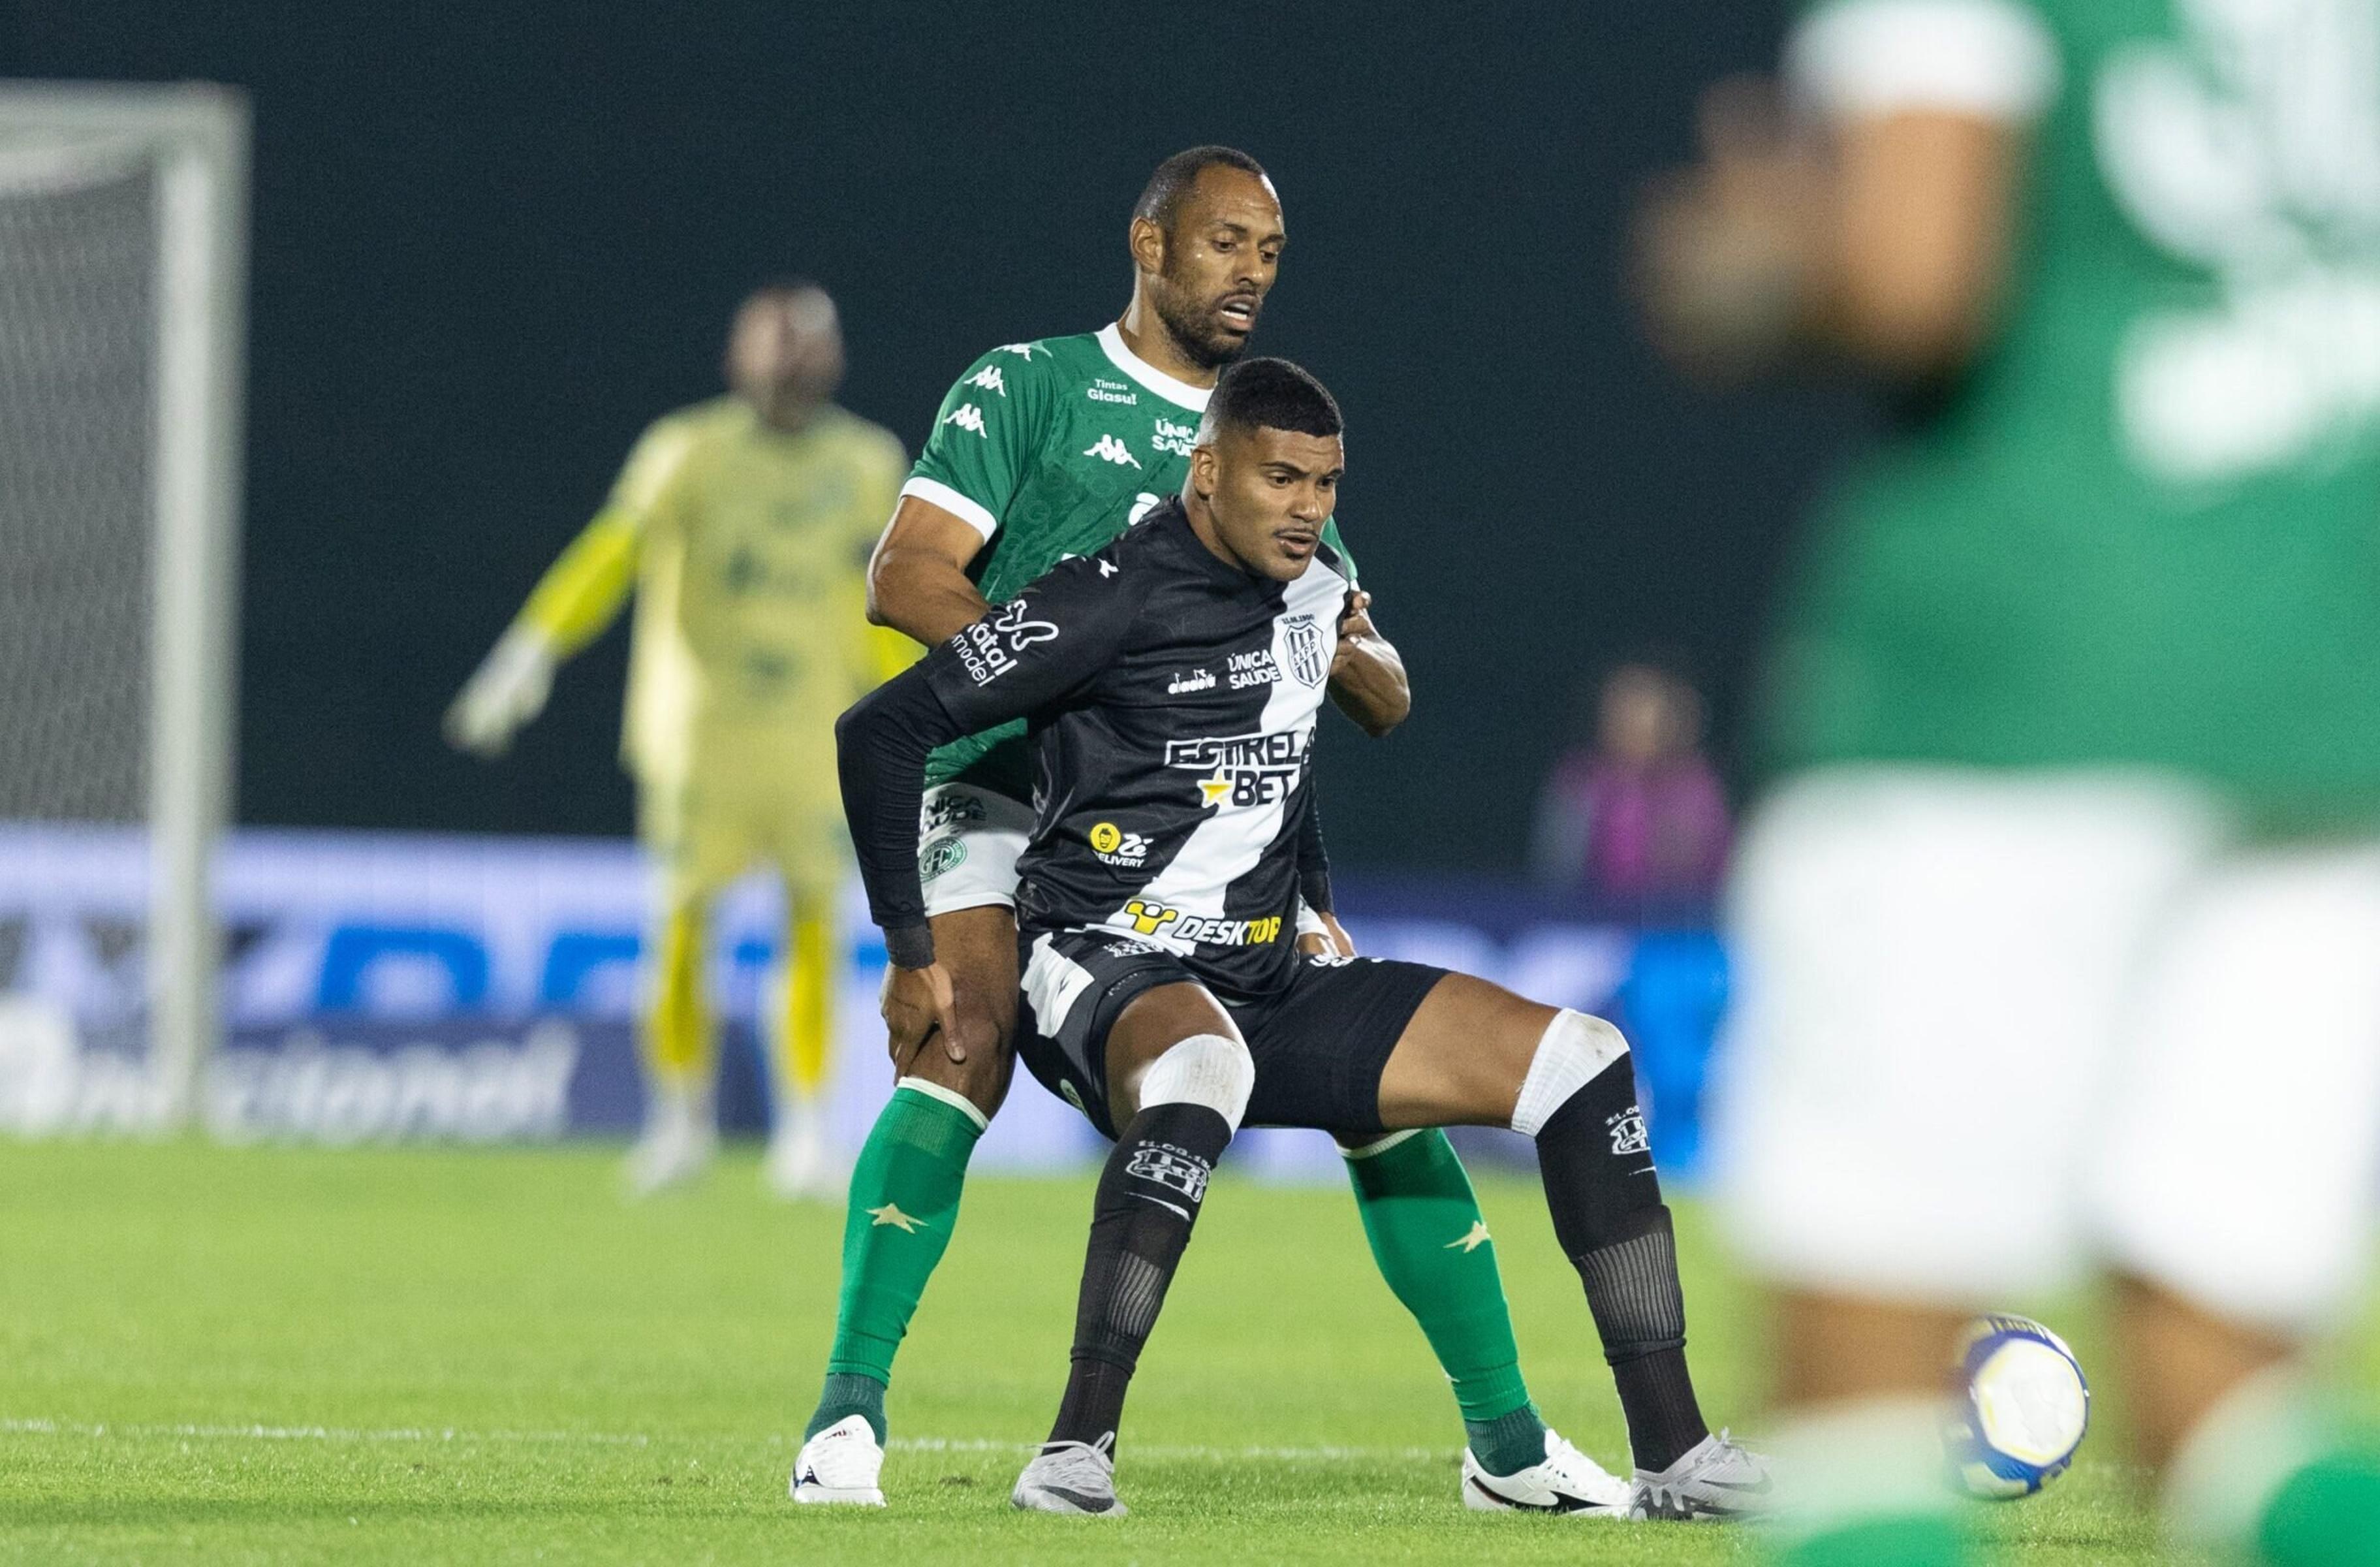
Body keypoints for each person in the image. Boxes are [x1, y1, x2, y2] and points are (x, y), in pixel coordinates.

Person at [1632, 2, 2380, 1562]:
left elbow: (1915, 277)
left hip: (2007, 681)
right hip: (2336, 688)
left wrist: (1757, 269)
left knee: (1864, 1424)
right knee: (2238, 1424)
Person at [792, 148, 1617, 1513]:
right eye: (1225, 243)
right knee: (964, 1030)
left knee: (1371, 1073)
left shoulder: (1268, 452)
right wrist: (1080, 697)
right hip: (1008, 777)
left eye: (1271, 253)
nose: (1250, 273)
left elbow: (1341, 684)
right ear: (1149, 242)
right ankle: (845, 1418)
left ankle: (1512, 1443)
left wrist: (1333, 737)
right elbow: (907, 575)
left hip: (1204, 831)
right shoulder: (1032, 387)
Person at [831, 358, 1770, 1521]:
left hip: (1264, 973)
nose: (1308, 506)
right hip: (1103, 964)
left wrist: (1312, 886)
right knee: (1201, 1066)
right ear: (1208, 472)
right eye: (1280, 479)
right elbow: (879, 731)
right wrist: (911, 946)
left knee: (1590, 1064)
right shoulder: (1104, 597)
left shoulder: (1319, 589)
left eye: (1325, 482)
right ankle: (1073, 1453)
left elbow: (1277, 753)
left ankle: (1672, 1459)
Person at [444, 281, 911, 1200]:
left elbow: (880, 599)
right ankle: (679, 1122)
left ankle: (807, 1130)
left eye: (805, 347)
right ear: (740, 354)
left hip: (816, 733)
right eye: (776, 345)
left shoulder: (865, 461)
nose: (789, 365)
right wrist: (535, 645)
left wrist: (925, 701)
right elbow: (614, 551)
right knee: (683, 926)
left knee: (815, 923)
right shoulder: (688, 452)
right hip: (700, 730)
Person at [1532, 662, 1730, 905]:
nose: (1633, 724)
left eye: (1645, 712)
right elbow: (1555, 871)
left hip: (1676, 926)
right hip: (1590, 921)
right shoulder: (1579, 780)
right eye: (1622, 712)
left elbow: (1703, 874)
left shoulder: (1696, 789)